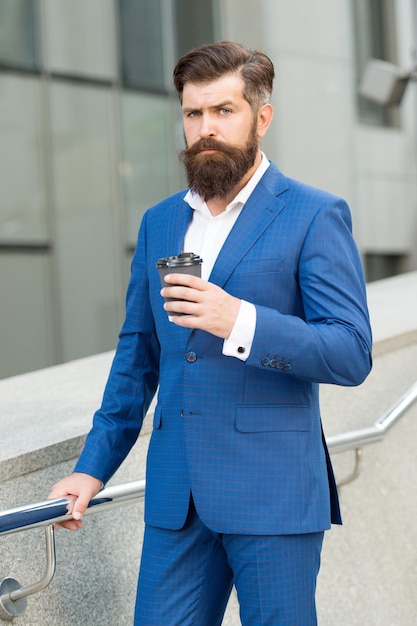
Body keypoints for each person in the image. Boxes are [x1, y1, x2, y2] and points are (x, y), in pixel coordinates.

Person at [49, 41, 372, 625]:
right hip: (178, 501)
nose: (206, 129)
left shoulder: (313, 214)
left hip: (274, 500)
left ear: (261, 118)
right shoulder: (161, 222)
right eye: (194, 113)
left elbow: (350, 351)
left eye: (224, 111)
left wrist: (239, 321)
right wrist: (92, 468)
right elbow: (137, 357)